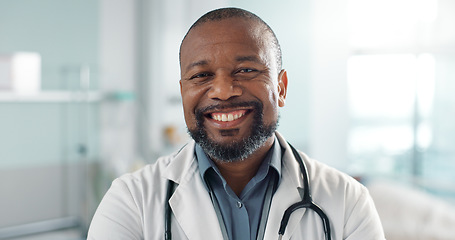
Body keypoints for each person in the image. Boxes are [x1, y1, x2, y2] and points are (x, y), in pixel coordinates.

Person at [87, 7, 385, 240]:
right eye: (201, 75)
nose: (223, 90)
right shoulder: (130, 201)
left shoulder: (347, 202)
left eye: (245, 69)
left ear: (281, 87)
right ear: (183, 93)